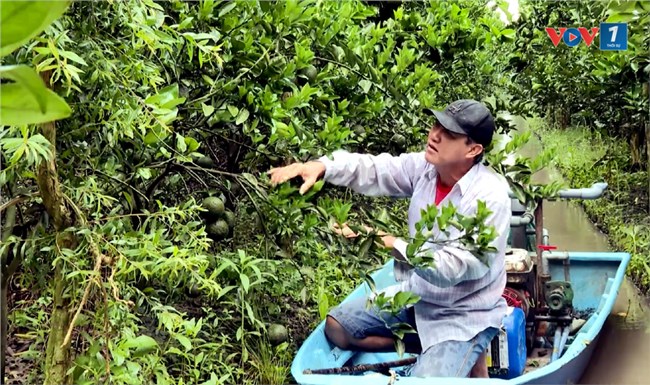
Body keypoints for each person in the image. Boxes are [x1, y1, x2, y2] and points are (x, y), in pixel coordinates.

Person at [268, 99, 512, 378]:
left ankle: (460, 350)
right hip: (417, 298)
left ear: (473, 149)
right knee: (337, 327)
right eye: (436, 125)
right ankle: (428, 346)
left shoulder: (490, 197)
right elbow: (374, 168)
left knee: (423, 382)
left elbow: (456, 268)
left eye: (449, 134)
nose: (435, 135)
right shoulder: (425, 169)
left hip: (464, 316)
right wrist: (321, 167)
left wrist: (389, 241)